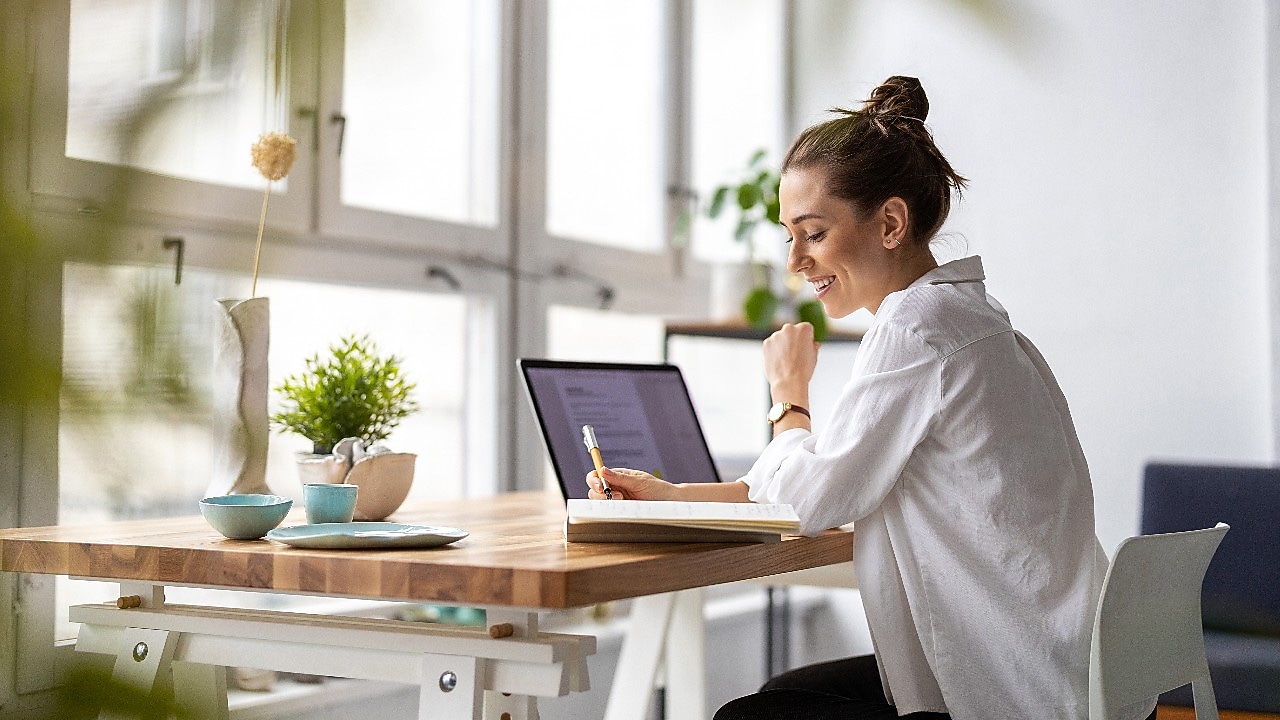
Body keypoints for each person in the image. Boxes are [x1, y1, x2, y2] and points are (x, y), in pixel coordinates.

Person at [586, 76, 1150, 720]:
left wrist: (786, 392)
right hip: (1062, 671)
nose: (796, 260)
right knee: (782, 696)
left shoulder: (917, 329)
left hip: (1014, 692)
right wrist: (675, 498)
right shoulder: (971, 320)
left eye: (814, 233)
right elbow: (823, 475)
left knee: (753, 715)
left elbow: (811, 497)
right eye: (788, 235)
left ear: (889, 222)